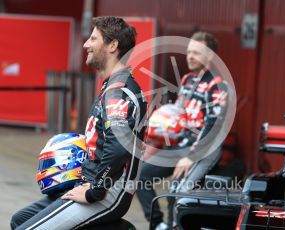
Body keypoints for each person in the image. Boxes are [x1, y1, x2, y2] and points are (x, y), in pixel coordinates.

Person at [11, 16, 147, 229]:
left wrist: (94, 192)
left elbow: (119, 148)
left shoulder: (119, 91)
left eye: (93, 39)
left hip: (107, 192)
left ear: (113, 45)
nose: (86, 44)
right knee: (20, 220)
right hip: (92, 183)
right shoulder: (111, 86)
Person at [136, 32, 229, 230]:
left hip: (205, 148)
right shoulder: (187, 80)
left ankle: (174, 226)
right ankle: (159, 225)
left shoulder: (218, 85)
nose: (190, 56)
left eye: (196, 52)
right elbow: (177, 116)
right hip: (182, 144)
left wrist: (192, 156)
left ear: (210, 56)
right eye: (188, 52)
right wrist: (156, 142)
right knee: (140, 175)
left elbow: (214, 125)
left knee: (177, 191)